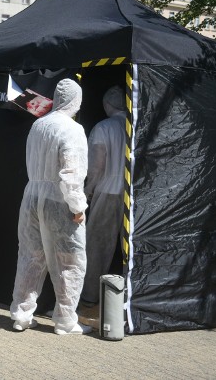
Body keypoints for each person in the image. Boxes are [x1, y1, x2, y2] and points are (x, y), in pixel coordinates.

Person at [10, 78, 91, 335]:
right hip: (59, 198)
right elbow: (71, 172)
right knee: (70, 260)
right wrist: (77, 205)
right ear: (76, 100)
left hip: (32, 195)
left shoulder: (38, 125)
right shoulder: (72, 129)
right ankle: (66, 321)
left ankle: (21, 315)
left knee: (30, 256)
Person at [81, 86, 127, 306]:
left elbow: (96, 166)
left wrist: (88, 190)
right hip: (132, 194)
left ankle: (90, 295)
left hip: (108, 191)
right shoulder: (135, 127)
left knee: (98, 245)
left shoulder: (103, 127)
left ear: (107, 104)